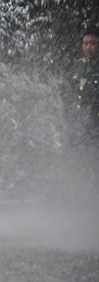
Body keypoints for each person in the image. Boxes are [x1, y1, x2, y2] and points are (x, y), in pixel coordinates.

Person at [64, 26, 99, 193]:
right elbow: (74, 92)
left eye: (92, 43)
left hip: (96, 122)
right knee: (81, 157)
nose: (88, 47)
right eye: (85, 43)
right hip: (83, 122)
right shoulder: (80, 66)